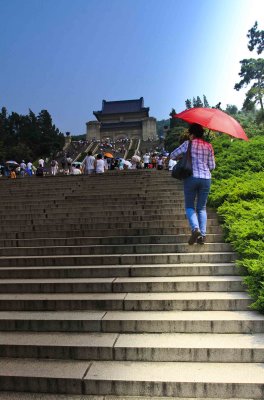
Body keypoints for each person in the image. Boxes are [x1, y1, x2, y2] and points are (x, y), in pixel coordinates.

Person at [170, 123, 215, 245]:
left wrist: (184, 156)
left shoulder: (187, 144)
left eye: (190, 133)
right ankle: (203, 236)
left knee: (190, 206)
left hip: (191, 177)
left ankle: (195, 228)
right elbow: (212, 166)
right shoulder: (209, 146)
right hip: (206, 179)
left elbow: (172, 155)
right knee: (202, 208)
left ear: (192, 134)